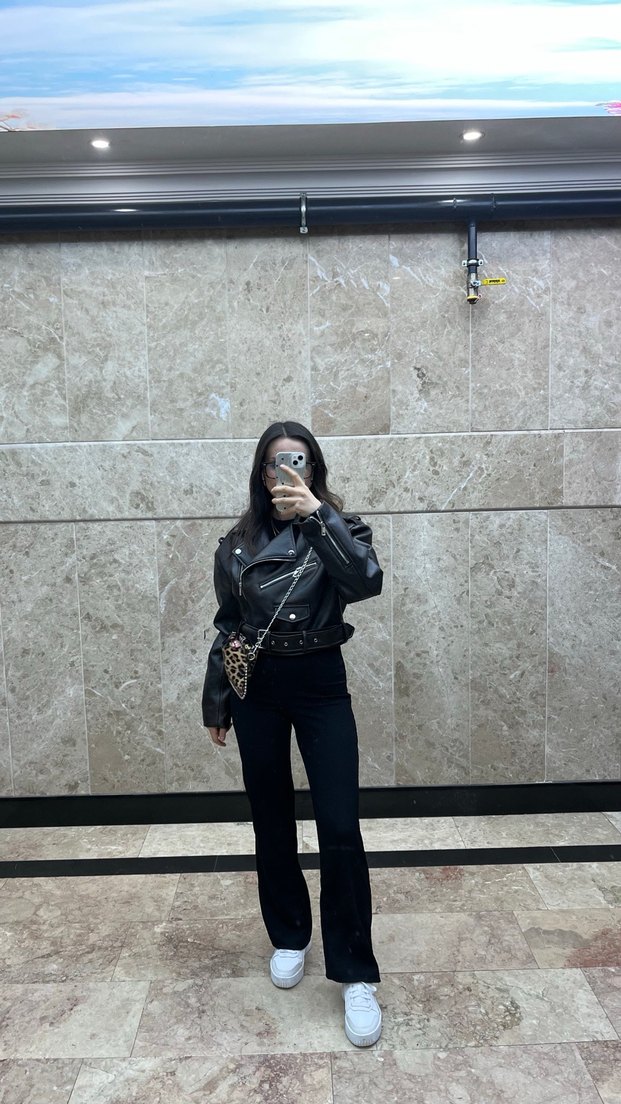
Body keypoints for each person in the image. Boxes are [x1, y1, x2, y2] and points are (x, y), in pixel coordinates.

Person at [202, 420, 383, 1047]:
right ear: (261, 473)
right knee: (271, 816)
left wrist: (317, 518)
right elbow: (229, 623)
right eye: (277, 462)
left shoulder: (342, 528)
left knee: (339, 823)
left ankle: (355, 971)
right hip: (258, 687)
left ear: (315, 469)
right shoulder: (236, 544)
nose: (288, 472)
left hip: (320, 680)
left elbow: (364, 582)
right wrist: (217, 700)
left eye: (299, 461)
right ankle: (288, 934)